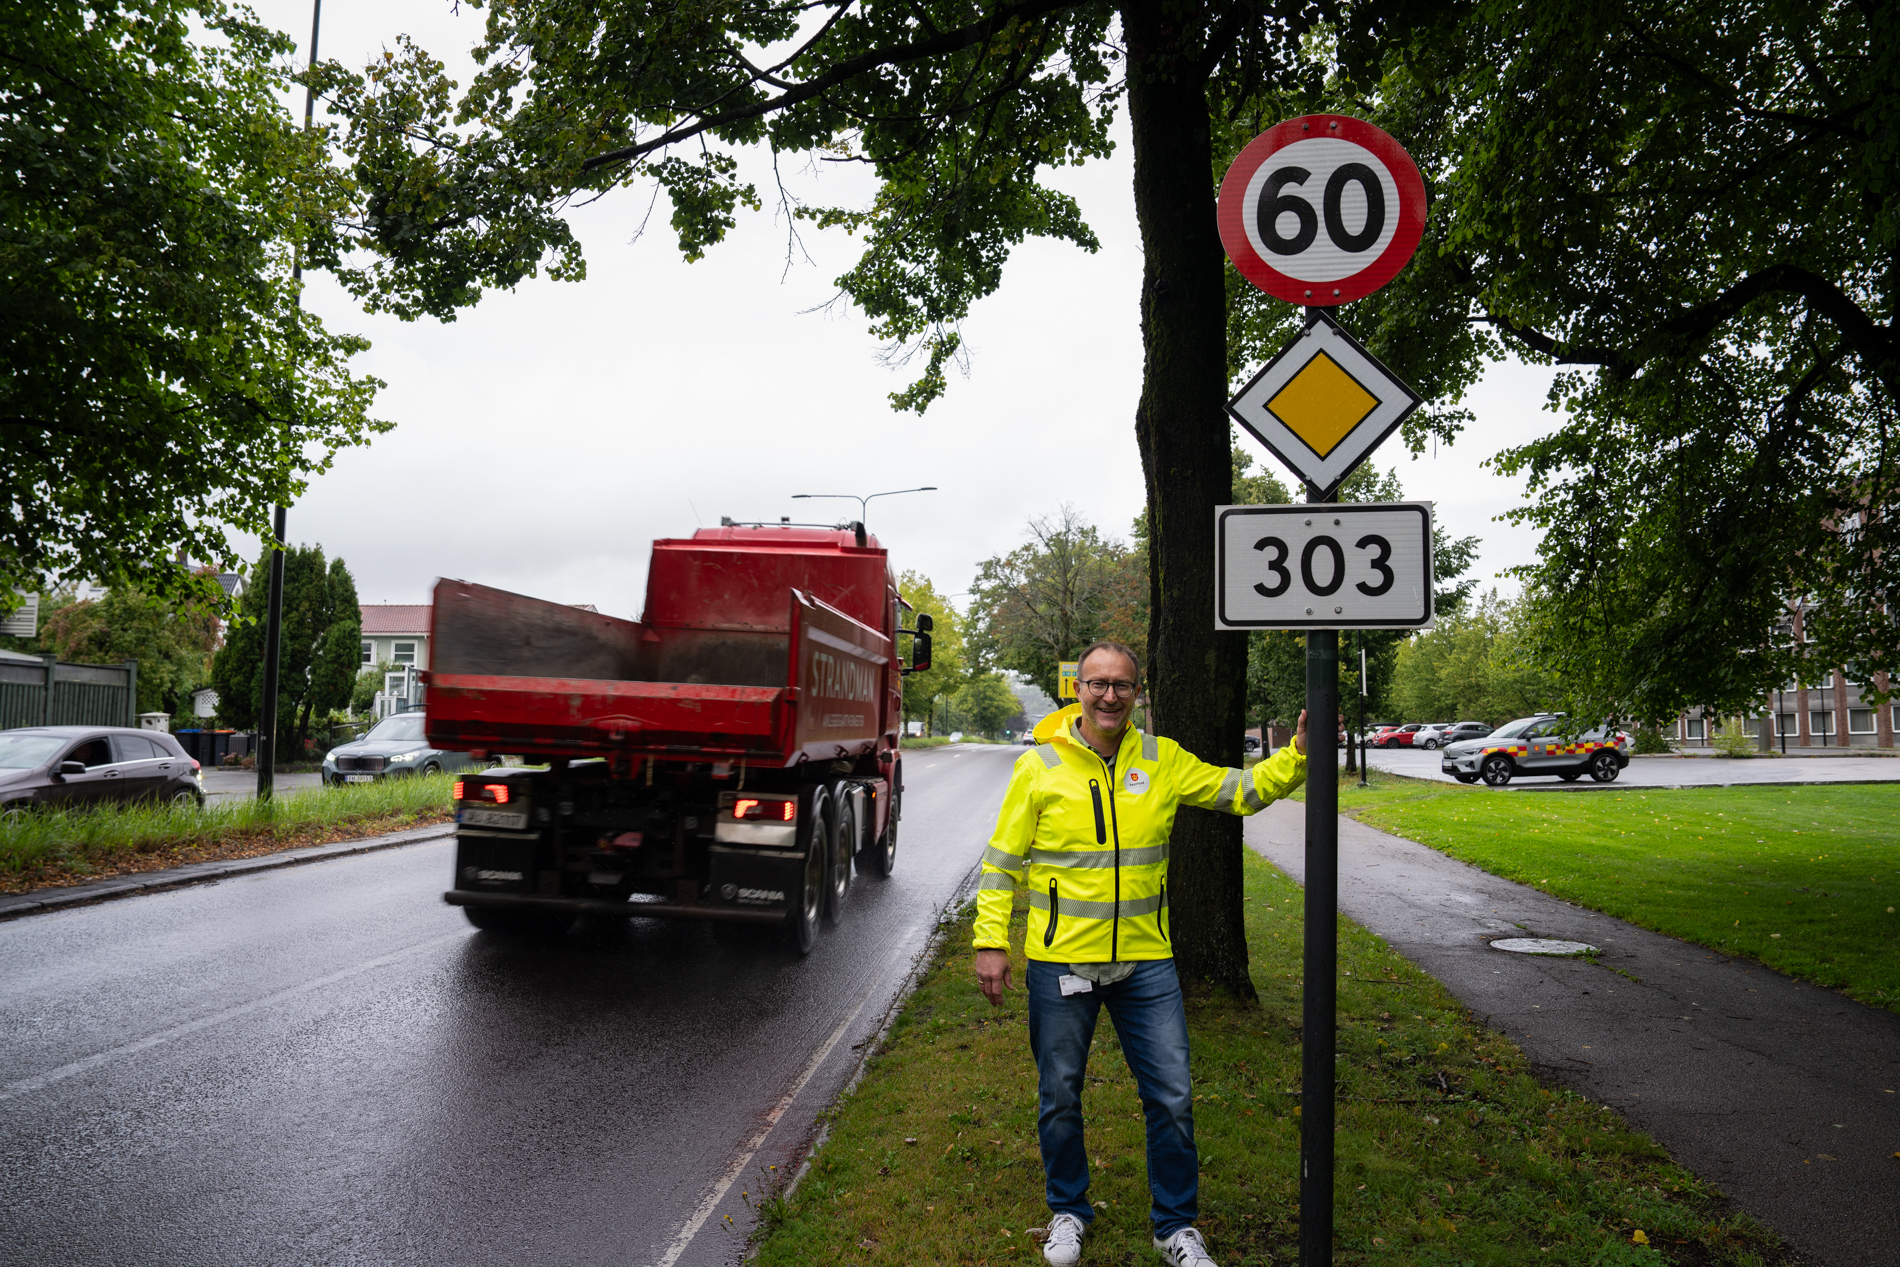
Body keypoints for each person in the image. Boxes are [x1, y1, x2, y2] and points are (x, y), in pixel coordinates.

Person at [974, 640, 1310, 1267]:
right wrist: (991, 940)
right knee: (1060, 1096)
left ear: (1137, 692)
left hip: (1145, 963)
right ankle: (1068, 1212)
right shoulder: (1040, 767)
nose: (1109, 695)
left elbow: (1238, 791)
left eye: (1122, 685)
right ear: (1078, 689)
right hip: (1059, 964)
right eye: (1098, 684)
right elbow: (1000, 865)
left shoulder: (1161, 760)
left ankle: (1175, 1226)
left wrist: (1298, 757)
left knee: (1172, 1097)